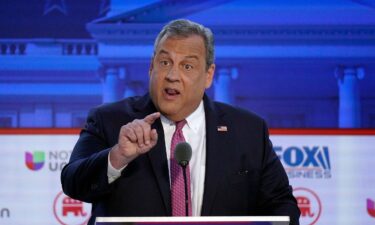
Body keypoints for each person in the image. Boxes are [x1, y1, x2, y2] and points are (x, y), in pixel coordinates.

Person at [61, 19, 300, 225]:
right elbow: (73, 182)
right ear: (151, 67)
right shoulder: (111, 120)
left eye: (187, 66)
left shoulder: (247, 130)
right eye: (165, 63)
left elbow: (282, 206)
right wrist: (118, 156)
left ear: (208, 75)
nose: (172, 75)